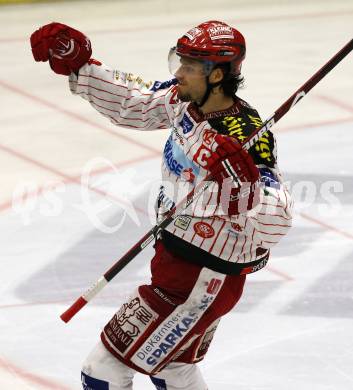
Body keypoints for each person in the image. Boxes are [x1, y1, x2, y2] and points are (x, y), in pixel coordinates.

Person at [30, 20, 293, 390]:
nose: (178, 73)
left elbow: (277, 221)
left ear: (216, 75)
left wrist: (244, 190)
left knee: (102, 369)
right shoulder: (185, 101)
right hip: (177, 259)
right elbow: (135, 102)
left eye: (188, 66)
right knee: (172, 370)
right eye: (179, 61)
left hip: (202, 277)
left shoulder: (245, 137)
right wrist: (80, 66)